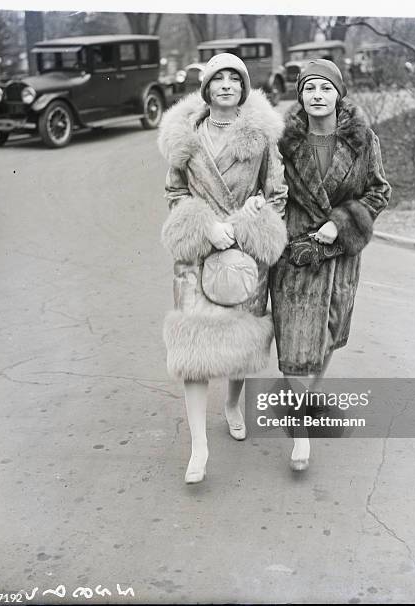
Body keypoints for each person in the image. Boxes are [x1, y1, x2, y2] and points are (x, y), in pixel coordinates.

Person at [158, 53, 288, 483]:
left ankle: (233, 404)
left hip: (243, 256)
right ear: (207, 88)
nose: (227, 85)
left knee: (238, 344)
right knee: (193, 349)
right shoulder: (186, 137)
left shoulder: (262, 137)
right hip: (197, 252)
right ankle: (199, 447)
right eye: (219, 79)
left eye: (236, 78)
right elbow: (175, 193)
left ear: (244, 88)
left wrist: (252, 214)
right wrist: (206, 225)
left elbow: (277, 194)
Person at [270, 59, 391, 471]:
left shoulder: (363, 139)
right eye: (308, 89)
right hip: (296, 256)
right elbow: (268, 191)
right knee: (295, 344)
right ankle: (300, 434)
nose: (317, 96)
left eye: (324, 88)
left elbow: (379, 191)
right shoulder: (283, 142)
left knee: (330, 334)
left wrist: (340, 224)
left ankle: (301, 399)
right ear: (300, 96)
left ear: (338, 93)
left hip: (340, 258)